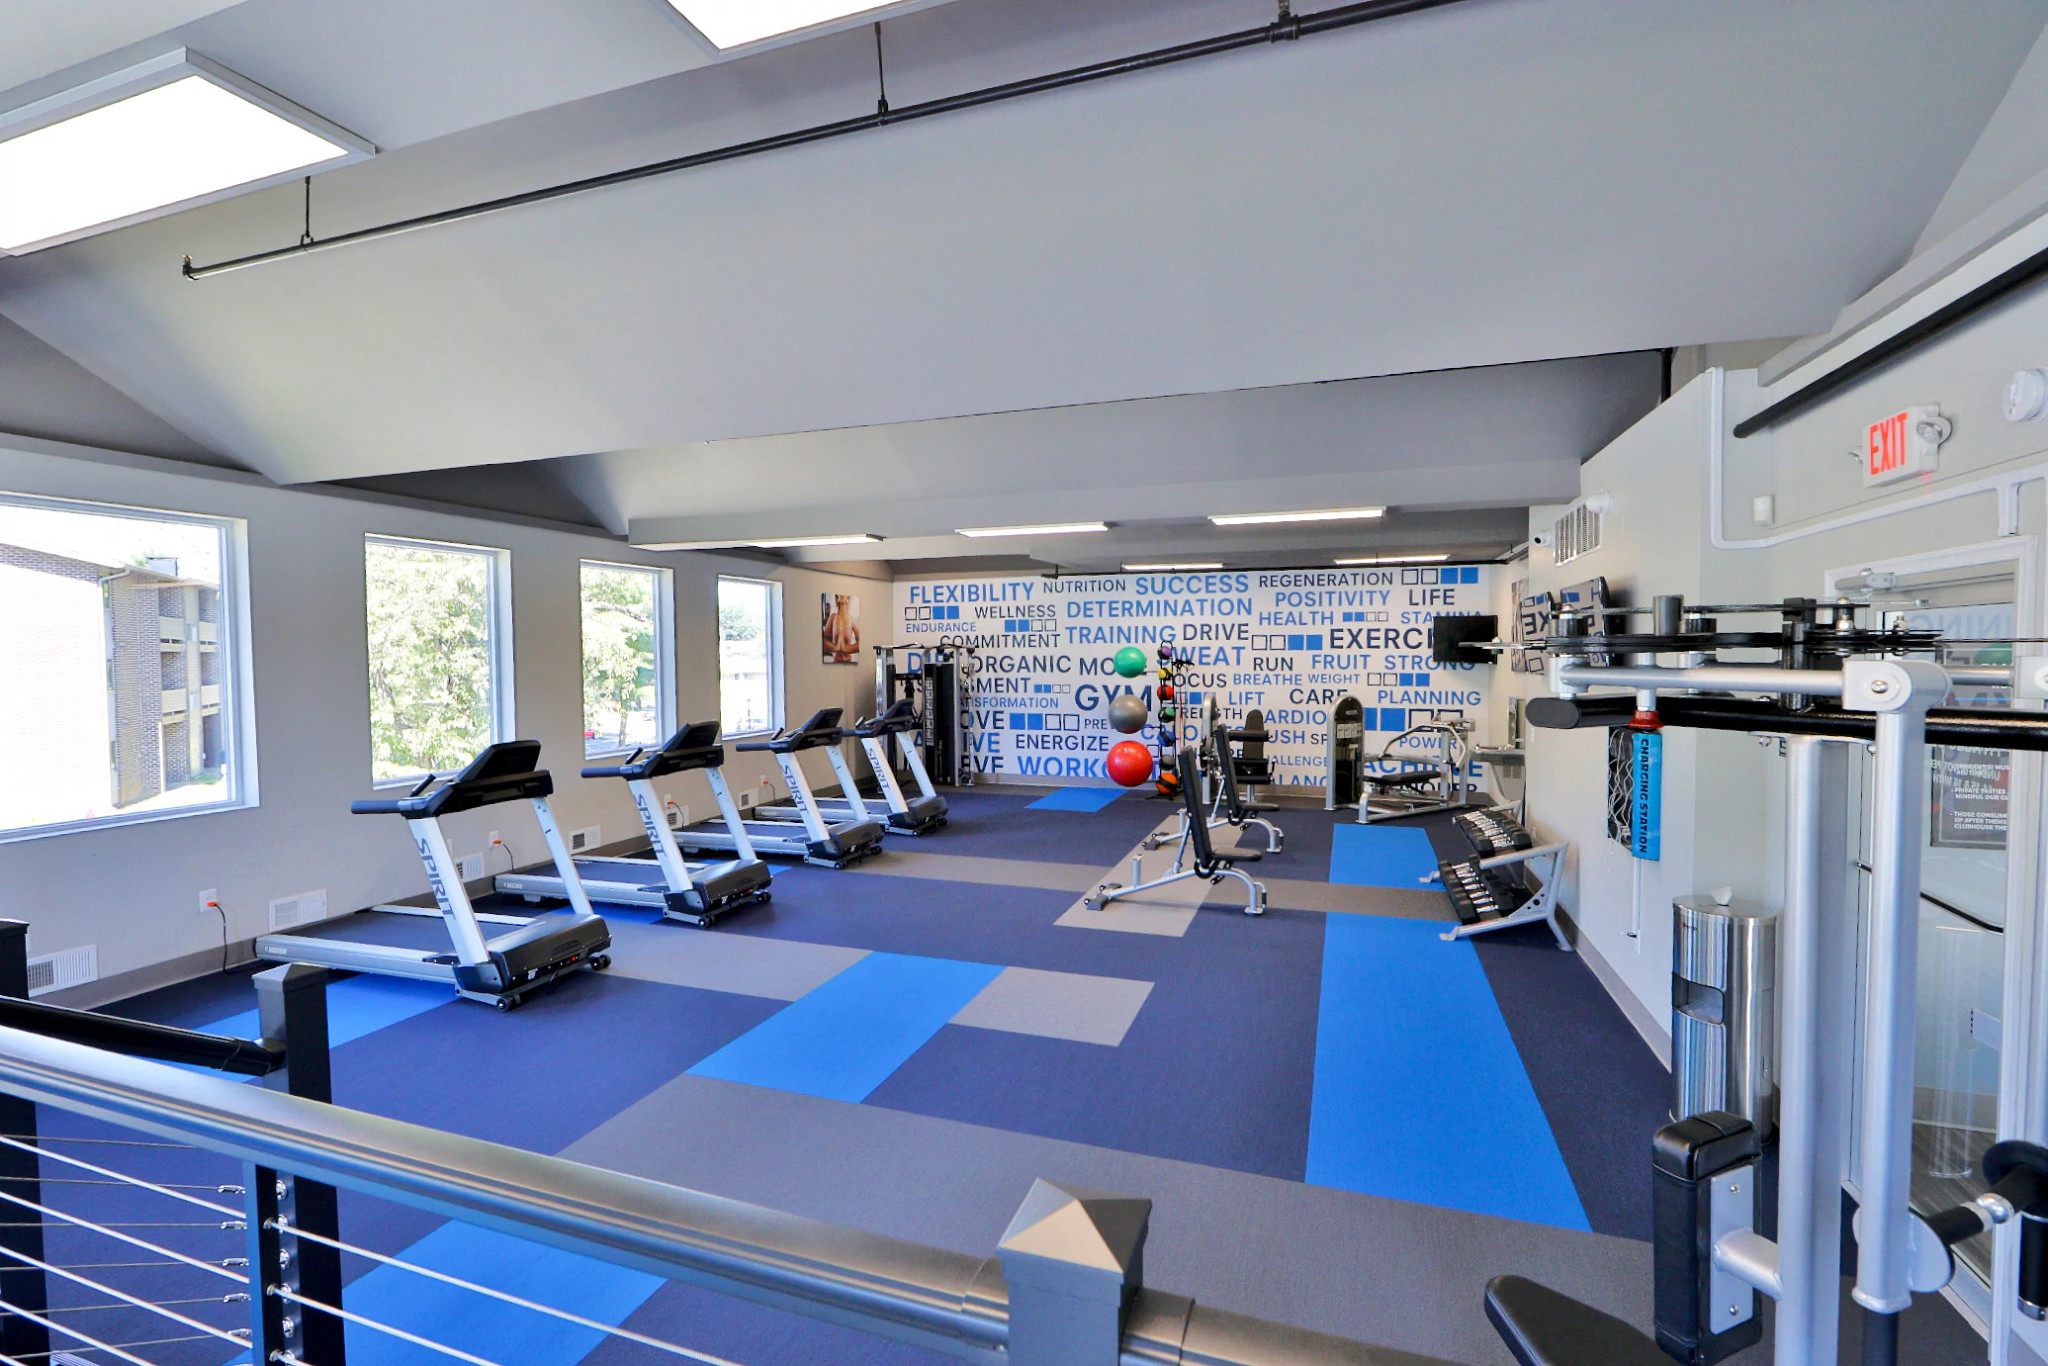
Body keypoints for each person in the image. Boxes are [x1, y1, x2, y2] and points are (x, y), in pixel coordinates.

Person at [823, 594, 860, 662]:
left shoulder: (851, 619)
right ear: (837, 598)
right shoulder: (833, 617)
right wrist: (836, 648)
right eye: (839, 594)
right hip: (836, 661)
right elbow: (823, 641)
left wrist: (846, 648)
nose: (841, 595)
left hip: (848, 661)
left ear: (847, 598)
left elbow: (860, 643)